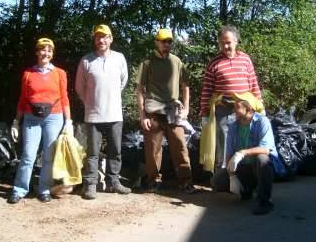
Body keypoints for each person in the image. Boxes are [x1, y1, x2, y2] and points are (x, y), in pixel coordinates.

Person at [8, 38, 73, 204]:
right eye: (42, 50)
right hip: (31, 117)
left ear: (52, 54)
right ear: (37, 52)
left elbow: (64, 97)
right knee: (28, 155)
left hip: (54, 117)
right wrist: (16, 121)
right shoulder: (28, 73)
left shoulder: (60, 73)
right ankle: (20, 189)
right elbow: (23, 98)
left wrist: (68, 121)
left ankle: (44, 189)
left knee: (48, 155)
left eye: (49, 50)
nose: (46, 53)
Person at [136, 28, 197, 194]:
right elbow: (140, 90)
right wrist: (142, 116)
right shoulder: (147, 62)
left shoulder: (177, 61)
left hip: (173, 111)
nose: (166, 44)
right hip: (153, 111)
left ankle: (186, 182)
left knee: (180, 145)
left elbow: (186, 86)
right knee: (152, 148)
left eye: (169, 41)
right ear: (156, 42)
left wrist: (186, 108)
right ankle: (153, 181)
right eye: (163, 41)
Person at [75, 24, 131, 199]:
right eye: (98, 37)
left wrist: (111, 98)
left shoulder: (120, 58)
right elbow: (79, 87)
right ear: (95, 39)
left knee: (115, 150)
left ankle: (113, 182)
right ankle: (90, 184)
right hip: (93, 115)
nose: (101, 40)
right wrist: (91, 103)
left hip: (114, 114)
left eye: (105, 37)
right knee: (92, 152)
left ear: (111, 39)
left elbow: (123, 81)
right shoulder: (86, 61)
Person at [200, 25, 262, 171]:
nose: (225, 46)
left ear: (236, 41)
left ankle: (245, 176)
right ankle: (223, 178)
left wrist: (261, 105)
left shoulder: (246, 60)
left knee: (246, 143)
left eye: (228, 42)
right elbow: (207, 90)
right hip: (224, 111)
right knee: (224, 146)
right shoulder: (214, 64)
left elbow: (254, 84)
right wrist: (204, 114)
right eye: (222, 43)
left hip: (246, 111)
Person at [212, 99, 277, 215]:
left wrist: (242, 152)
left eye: (237, 108)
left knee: (263, 159)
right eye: (234, 108)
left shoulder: (262, 121)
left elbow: (266, 148)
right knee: (217, 180)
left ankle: (265, 202)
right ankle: (246, 190)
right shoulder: (234, 126)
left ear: (249, 109)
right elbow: (229, 152)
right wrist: (232, 176)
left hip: (258, 167)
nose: (234, 111)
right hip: (243, 167)